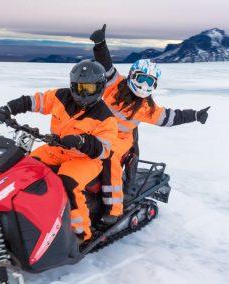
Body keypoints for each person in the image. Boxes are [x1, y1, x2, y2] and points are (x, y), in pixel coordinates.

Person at [89, 24, 210, 224]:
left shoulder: (147, 108)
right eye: (141, 78)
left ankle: (114, 208)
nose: (144, 85)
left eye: (149, 81)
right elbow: (106, 65)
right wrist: (100, 45)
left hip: (120, 140)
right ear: (132, 76)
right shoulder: (114, 86)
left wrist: (195, 115)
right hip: (97, 131)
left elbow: (171, 117)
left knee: (109, 159)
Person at [0, 60, 118, 240]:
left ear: (99, 88)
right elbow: (35, 101)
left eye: (88, 88)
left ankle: (80, 234)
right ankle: (20, 217)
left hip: (84, 159)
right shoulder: (61, 97)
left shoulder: (105, 117)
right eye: (78, 87)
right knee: (22, 169)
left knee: (68, 185)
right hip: (56, 149)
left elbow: (104, 150)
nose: (82, 93)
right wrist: (10, 108)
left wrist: (81, 141)